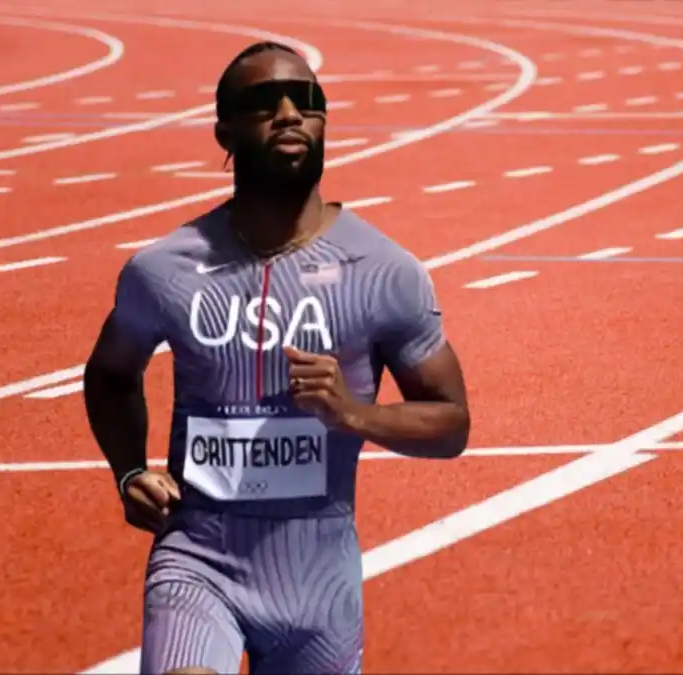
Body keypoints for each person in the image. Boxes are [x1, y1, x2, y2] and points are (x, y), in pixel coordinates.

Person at [82, 41, 471, 675]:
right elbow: (111, 373)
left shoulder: (383, 272)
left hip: (319, 584)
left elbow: (451, 423)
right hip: (195, 558)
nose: (290, 113)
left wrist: (352, 415)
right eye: (264, 102)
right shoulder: (165, 268)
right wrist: (128, 471)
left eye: (307, 101)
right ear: (224, 132)